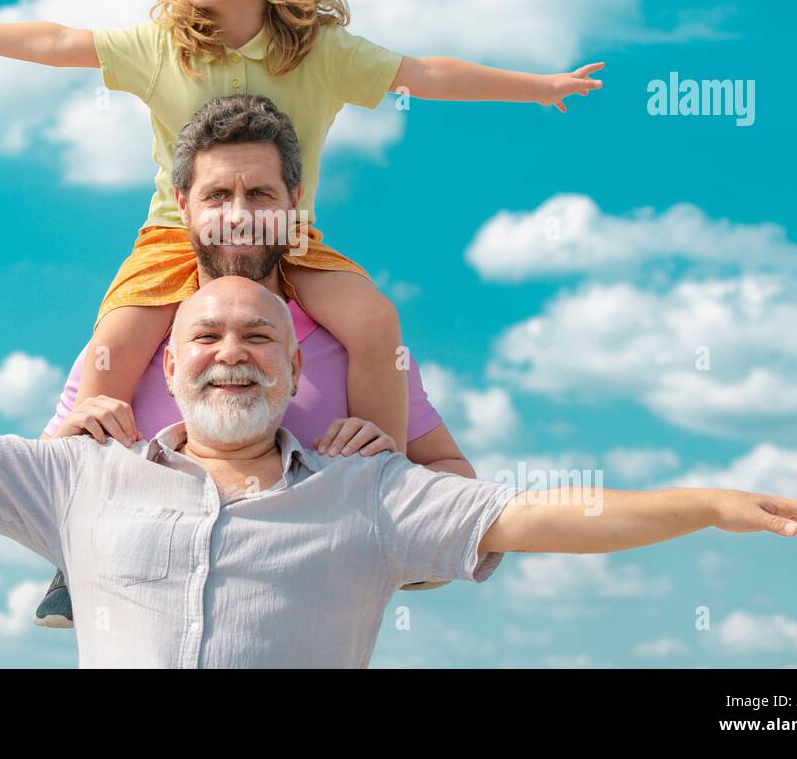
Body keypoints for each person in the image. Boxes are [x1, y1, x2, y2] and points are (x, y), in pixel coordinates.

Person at [0, 279, 797, 668]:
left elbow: (544, 511)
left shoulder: (375, 492)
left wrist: (700, 503)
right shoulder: (83, 478)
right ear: (167, 370)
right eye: (205, 338)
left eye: (258, 338)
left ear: (294, 372)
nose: (229, 349)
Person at [0, 0, 604, 452]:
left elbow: (424, 72)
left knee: (376, 319)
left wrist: (537, 87)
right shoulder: (160, 45)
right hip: (179, 234)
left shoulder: (322, 52)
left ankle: (385, 487)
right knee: (113, 341)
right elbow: (55, 40)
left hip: (287, 234)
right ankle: (76, 512)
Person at [33, 92, 473, 627]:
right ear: (183, 204)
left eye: (260, 193)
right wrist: (60, 455)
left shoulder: (359, 347)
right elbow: (32, 499)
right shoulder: (123, 344)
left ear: (294, 200)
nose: (239, 216)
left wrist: (397, 494)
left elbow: (458, 488)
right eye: (217, 194)